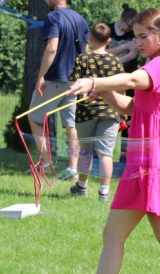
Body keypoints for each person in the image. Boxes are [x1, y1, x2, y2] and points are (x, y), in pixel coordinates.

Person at [67, 8, 160, 273]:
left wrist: (95, 82)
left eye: (142, 36)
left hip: (155, 164)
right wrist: (103, 93)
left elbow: (130, 79)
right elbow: (134, 106)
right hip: (144, 165)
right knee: (121, 235)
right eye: (135, 36)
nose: (137, 43)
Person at [27, 0, 90, 181]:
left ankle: (46, 163)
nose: (45, 0)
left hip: (55, 79)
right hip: (74, 82)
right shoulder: (81, 19)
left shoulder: (54, 17)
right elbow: (86, 53)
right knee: (71, 126)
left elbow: (51, 48)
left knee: (34, 118)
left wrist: (40, 76)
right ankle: (72, 168)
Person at [68, 23, 125, 202]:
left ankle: (82, 187)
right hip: (111, 111)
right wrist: (124, 111)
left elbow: (73, 86)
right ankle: (104, 193)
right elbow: (122, 87)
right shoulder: (115, 61)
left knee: (85, 151)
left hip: (86, 112)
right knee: (106, 153)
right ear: (109, 41)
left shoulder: (82, 59)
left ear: (90, 38)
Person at [105, 3, 139, 162]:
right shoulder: (108, 30)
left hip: (128, 76)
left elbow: (133, 55)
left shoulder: (134, 33)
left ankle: (125, 154)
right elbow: (102, 52)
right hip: (109, 77)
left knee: (128, 114)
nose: (130, 30)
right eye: (129, 26)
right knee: (108, 112)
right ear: (122, 20)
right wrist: (124, 46)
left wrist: (113, 60)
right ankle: (104, 152)